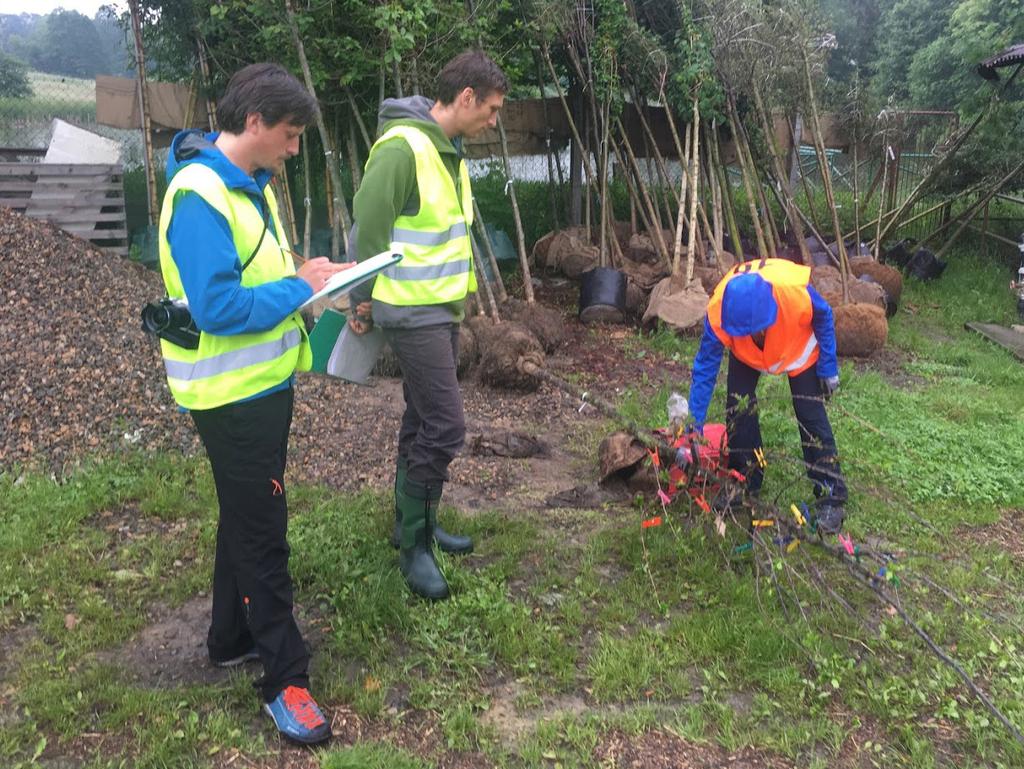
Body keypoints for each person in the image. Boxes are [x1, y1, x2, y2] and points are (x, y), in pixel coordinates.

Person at [156, 63, 347, 745]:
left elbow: (258, 277)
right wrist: (298, 291)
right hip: (231, 399)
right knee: (264, 532)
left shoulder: (245, 186)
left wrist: (308, 279)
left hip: (260, 389)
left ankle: (226, 637)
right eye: (291, 135)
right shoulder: (201, 194)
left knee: (244, 512)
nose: (295, 149)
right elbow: (218, 306)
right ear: (257, 121)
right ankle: (285, 679)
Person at [347, 51, 508, 600]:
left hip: (439, 310)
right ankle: (414, 548)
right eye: (490, 109)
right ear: (466, 98)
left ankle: (413, 524)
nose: (493, 120)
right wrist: (362, 298)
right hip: (409, 311)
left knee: (421, 418)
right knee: (446, 426)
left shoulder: (448, 151)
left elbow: (445, 233)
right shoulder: (402, 149)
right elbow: (366, 229)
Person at [686, 257, 848, 534]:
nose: (754, 334)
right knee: (739, 409)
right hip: (746, 356)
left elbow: (824, 315)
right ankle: (745, 479)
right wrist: (692, 428)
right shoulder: (719, 311)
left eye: (755, 330)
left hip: (798, 350)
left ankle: (831, 494)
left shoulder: (794, 294)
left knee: (810, 415)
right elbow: (705, 370)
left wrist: (828, 366)